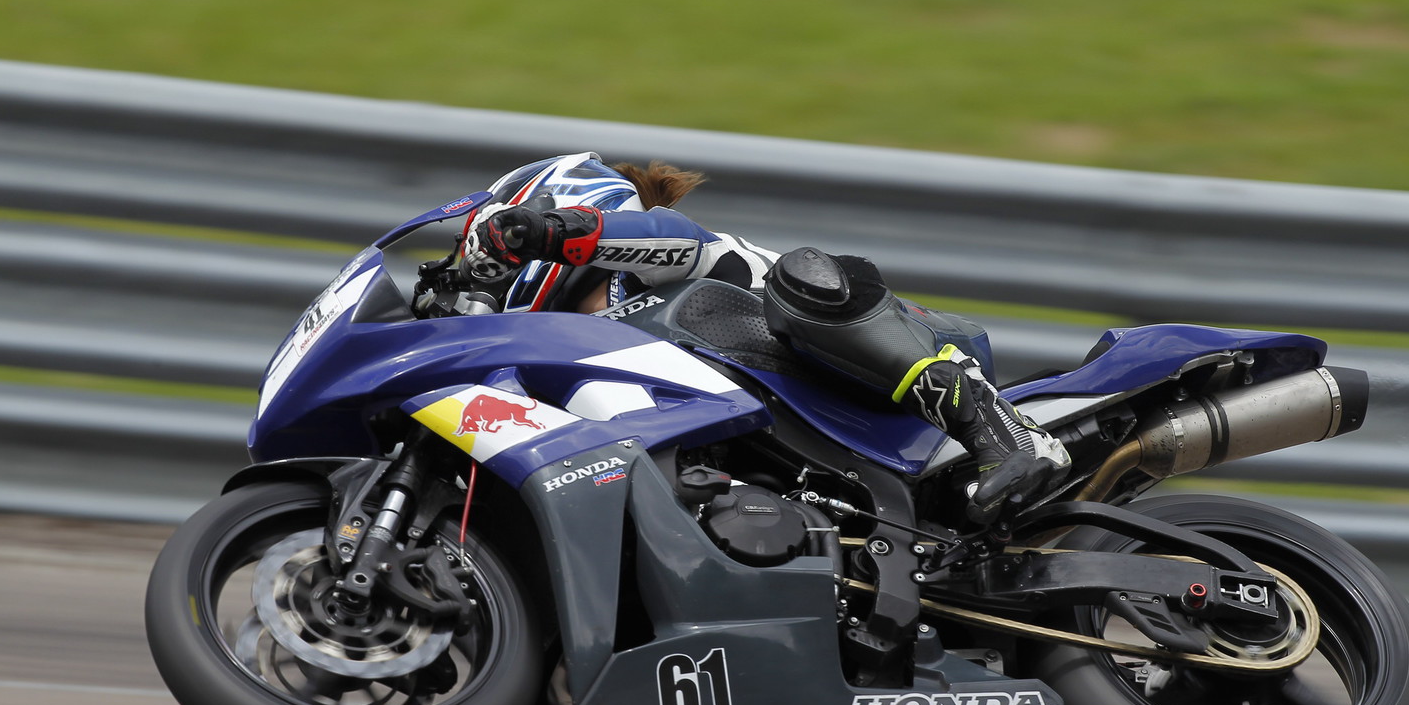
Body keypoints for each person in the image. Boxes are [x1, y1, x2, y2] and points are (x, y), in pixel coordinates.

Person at [414, 153, 1070, 524]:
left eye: (493, 248)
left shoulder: (652, 258)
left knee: (802, 278)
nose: (488, 271)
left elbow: (667, 237)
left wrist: (543, 233)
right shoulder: (576, 347)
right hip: (820, 456)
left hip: (900, 363)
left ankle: (1000, 431)